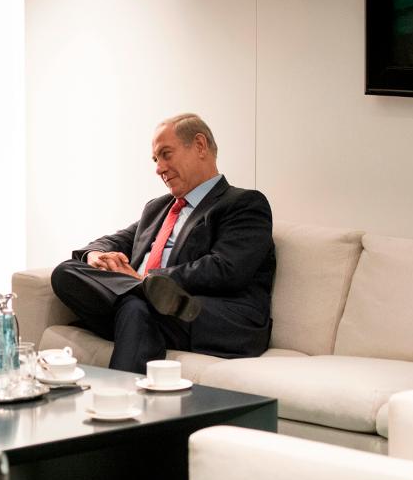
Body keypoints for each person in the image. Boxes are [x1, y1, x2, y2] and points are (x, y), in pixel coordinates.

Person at [50, 113, 275, 373]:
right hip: (154, 310)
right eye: (156, 160)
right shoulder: (157, 208)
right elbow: (116, 240)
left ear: (200, 146)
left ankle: (118, 400)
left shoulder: (243, 204)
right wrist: (94, 256)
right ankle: (139, 294)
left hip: (213, 315)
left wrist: (148, 277)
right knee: (66, 271)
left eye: (166, 154)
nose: (159, 168)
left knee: (136, 307)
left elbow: (226, 269)